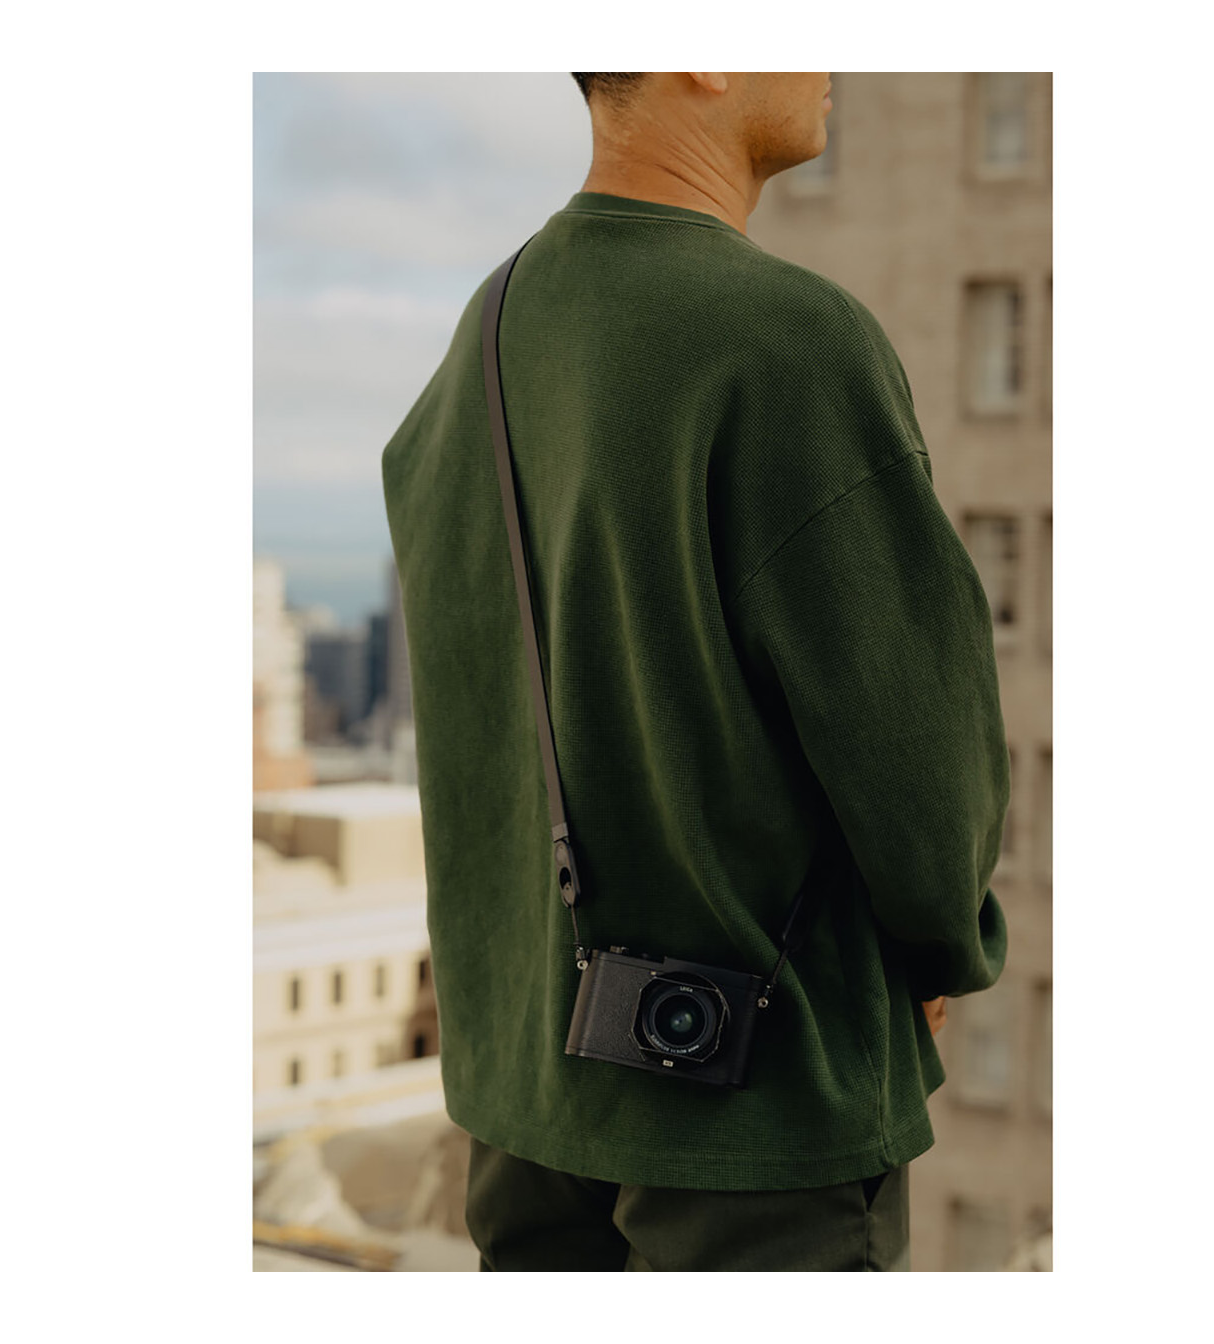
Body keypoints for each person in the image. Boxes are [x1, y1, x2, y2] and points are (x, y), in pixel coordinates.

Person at [381, 72, 1009, 1272]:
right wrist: (942, 947)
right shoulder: (785, 337)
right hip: (754, 1117)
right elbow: (920, 746)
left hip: (528, 1103)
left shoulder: (489, 330)